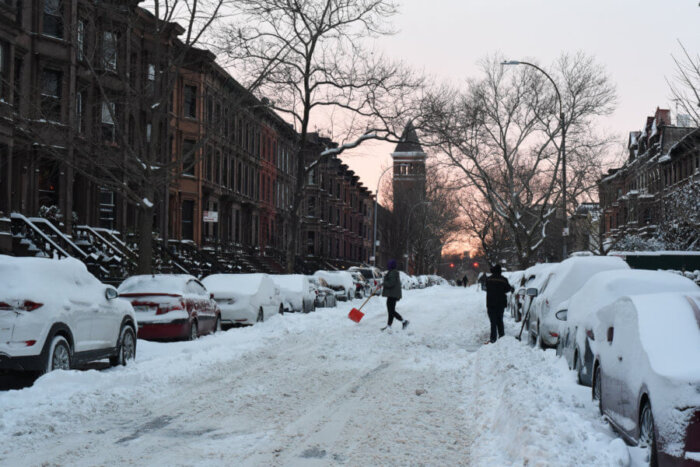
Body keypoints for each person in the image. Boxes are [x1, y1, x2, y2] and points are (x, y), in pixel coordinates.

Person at [485, 264, 513, 343]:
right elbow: (508, 289)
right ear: (500, 271)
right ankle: (502, 337)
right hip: (501, 303)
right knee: (500, 320)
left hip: (490, 303)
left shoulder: (488, 279)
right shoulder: (504, 280)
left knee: (493, 322)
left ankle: (493, 338)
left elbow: (486, 287)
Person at [381, 259, 409, 331]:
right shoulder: (392, 272)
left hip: (393, 295)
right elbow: (390, 282)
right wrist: (382, 283)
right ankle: (389, 326)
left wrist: (384, 283)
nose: (388, 265)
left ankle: (404, 321)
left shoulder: (393, 273)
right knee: (391, 310)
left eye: (389, 264)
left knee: (391, 311)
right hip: (392, 294)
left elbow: (391, 283)